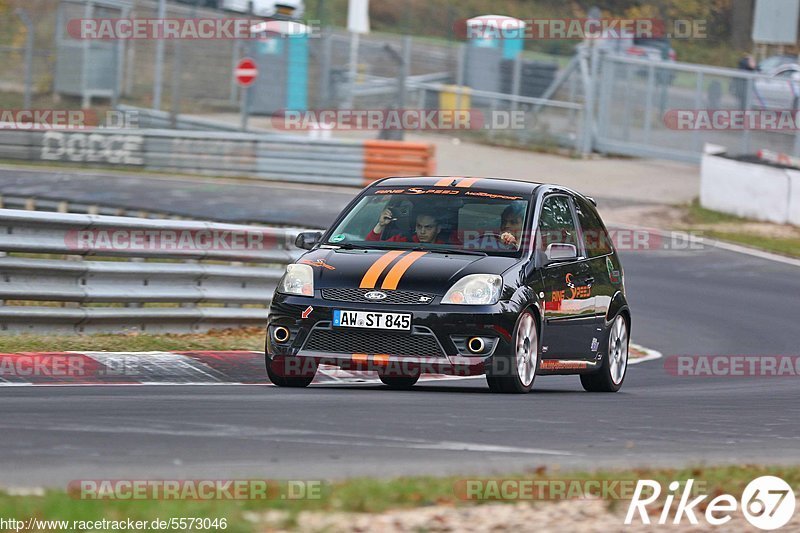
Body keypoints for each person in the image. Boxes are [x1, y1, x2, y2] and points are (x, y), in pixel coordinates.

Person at [366, 208, 448, 244]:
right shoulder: (404, 241)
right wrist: (380, 225)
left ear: (438, 229)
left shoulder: (448, 246)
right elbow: (369, 248)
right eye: (419, 226)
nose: (422, 232)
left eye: (428, 227)